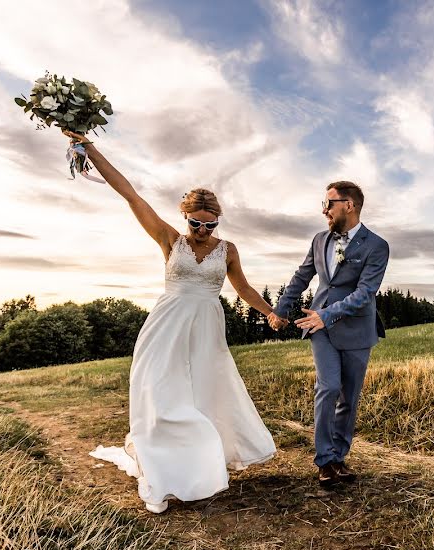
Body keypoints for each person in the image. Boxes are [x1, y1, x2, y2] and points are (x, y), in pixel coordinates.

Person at [62, 131, 277, 513]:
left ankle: (201, 468)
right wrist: (89, 147)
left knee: (204, 394)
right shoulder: (169, 239)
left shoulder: (228, 250)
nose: (203, 231)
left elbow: (242, 289)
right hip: (167, 324)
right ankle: (163, 467)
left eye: (210, 225)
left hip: (206, 328)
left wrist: (271, 312)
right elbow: (130, 193)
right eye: (197, 223)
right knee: (161, 391)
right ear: (185, 216)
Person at [268, 181, 389, 487]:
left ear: (349, 205)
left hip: (357, 329)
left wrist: (328, 315)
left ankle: (338, 457)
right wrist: (281, 310)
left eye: (329, 203)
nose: (324, 209)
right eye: (323, 204)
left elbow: (365, 292)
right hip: (318, 325)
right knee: (329, 388)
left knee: (349, 398)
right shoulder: (319, 239)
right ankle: (323, 460)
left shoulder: (377, 246)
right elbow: (302, 275)